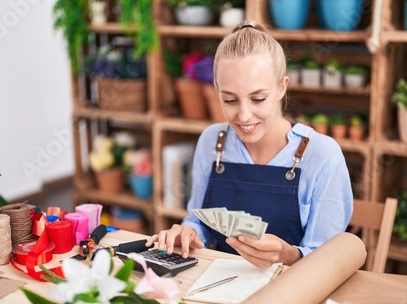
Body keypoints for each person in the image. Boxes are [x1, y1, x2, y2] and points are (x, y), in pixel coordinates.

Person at [146, 21, 353, 267]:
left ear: (281, 88)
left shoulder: (323, 156)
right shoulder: (212, 142)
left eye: (258, 99)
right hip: (221, 285)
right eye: (230, 100)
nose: (244, 116)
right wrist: (187, 233)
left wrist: (287, 255)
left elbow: (327, 261)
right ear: (217, 91)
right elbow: (199, 222)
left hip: (294, 293)